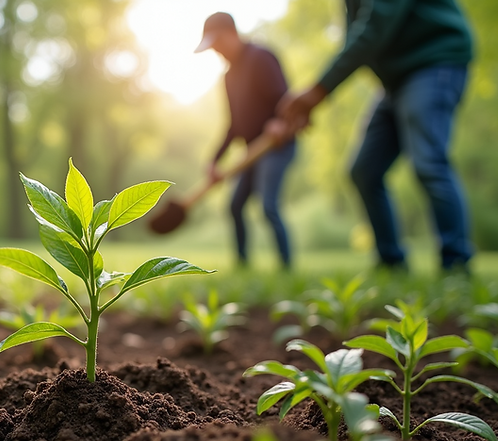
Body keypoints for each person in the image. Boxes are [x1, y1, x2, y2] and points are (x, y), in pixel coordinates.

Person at [275, 0, 474, 272]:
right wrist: (316, 96)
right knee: (364, 170)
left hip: (434, 61)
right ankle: (391, 261)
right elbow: (356, 42)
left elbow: (373, 30)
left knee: (429, 161)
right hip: (396, 82)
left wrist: (318, 90)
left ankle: (456, 263)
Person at [196, 12, 296, 270]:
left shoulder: (261, 58)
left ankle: (286, 268)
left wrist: (279, 120)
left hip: (276, 146)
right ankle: (242, 264)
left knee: (268, 205)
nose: (216, 51)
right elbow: (234, 125)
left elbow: (284, 98)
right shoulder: (229, 77)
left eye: (217, 43)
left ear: (231, 34)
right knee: (235, 205)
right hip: (252, 151)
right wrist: (215, 160)